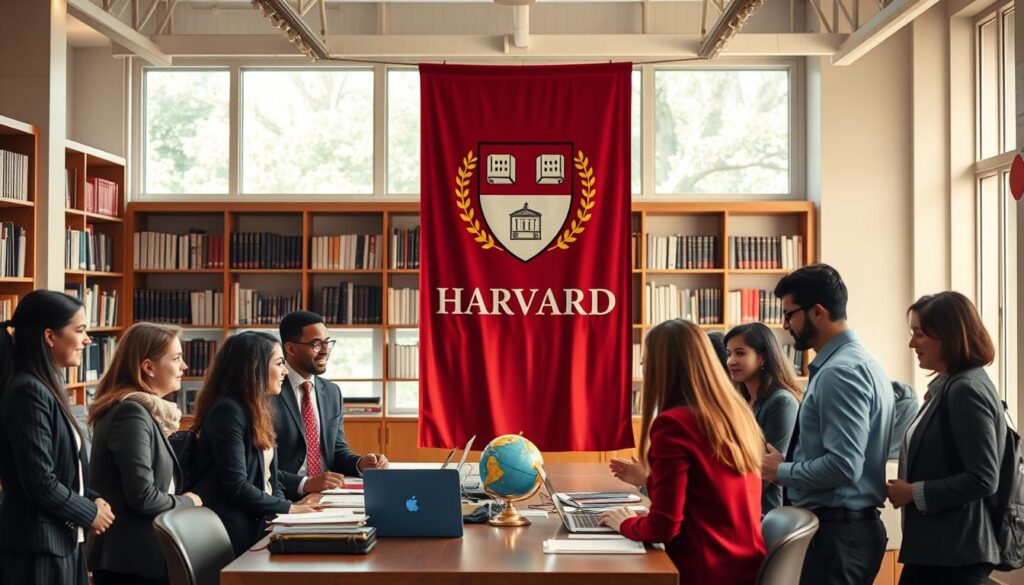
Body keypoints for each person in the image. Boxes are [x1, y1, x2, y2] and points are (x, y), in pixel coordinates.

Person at [599, 319, 765, 584]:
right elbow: (705, 492)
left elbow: (664, 527)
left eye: (645, 362)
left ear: (661, 368)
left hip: (704, 571)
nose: (643, 368)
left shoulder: (673, 424)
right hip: (743, 567)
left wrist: (625, 523)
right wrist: (650, 482)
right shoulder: (734, 414)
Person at [761, 263, 893, 585]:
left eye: (790, 314)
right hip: (842, 532)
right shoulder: (860, 362)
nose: (786, 325)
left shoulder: (841, 372)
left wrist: (780, 470)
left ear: (817, 311)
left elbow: (844, 465)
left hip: (837, 536)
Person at [887, 292, 1005, 585]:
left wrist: (913, 492)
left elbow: (983, 478)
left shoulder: (966, 389)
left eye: (920, 334)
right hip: (939, 552)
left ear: (950, 337)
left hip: (954, 555)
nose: (912, 343)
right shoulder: (952, 386)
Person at [0, 290, 115, 585]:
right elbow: (39, 480)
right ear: (50, 337)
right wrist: (88, 511)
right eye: (79, 330)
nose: (88, 339)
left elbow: (65, 468)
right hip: (36, 548)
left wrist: (93, 497)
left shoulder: (47, 388)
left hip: (63, 542)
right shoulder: (27, 391)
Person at [87, 323, 204, 585]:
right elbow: (143, 497)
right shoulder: (130, 414)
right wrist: (189, 502)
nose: (184, 366)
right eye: (176, 358)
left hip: (143, 558)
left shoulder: (143, 413)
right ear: (148, 367)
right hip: (132, 562)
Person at [190, 331, 319, 557]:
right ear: (255, 368)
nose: (285, 371)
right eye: (279, 363)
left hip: (263, 524)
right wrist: (290, 508)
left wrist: (285, 511)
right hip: (236, 531)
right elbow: (236, 485)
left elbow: (271, 478)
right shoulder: (228, 411)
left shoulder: (259, 410)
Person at [273, 311, 388, 501]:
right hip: (284, 496)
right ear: (291, 349)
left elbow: (336, 452)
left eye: (328, 342)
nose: (325, 350)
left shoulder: (332, 392)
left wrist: (361, 463)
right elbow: (260, 466)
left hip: (327, 496)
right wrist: (305, 484)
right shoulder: (269, 391)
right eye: (316, 344)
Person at [609, 329, 732, 493]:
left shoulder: (677, 421)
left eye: (646, 363)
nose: (643, 369)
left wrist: (647, 481)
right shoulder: (727, 412)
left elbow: (675, 505)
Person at [724, 322, 802, 514]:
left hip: (763, 513)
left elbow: (766, 473)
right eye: (729, 353)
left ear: (763, 357)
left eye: (740, 353)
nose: (731, 361)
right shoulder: (742, 402)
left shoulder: (781, 402)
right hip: (737, 505)